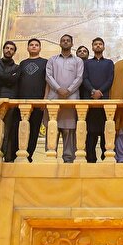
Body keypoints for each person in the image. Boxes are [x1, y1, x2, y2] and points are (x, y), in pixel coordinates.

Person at [45, 35, 84, 163]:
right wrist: (58, 89)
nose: (65, 42)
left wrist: (68, 90)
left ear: (72, 44)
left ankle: (68, 160)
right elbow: (48, 76)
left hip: (71, 99)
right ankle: (50, 158)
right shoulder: (52, 60)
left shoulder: (78, 61)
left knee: (69, 130)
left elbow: (79, 77)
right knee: (52, 129)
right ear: (60, 43)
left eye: (68, 41)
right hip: (54, 98)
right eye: (63, 40)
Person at [81, 37, 114, 163]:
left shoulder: (109, 63)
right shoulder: (86, 63)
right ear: (92, 47)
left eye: (100, 44)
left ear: (104, 47)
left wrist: (100, 92)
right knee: (90, 132)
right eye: (96, 44)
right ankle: (91, 159)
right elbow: (84, 78)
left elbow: (110, 79)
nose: (98, 46)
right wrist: (92, 91)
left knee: (106, 130)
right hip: (90, 101)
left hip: (105, 101)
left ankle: (106, 159)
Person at [17, 38, 48, 162]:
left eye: (36, 45)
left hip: (38, 103)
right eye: (31, 45)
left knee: (34, 130)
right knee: (22, 129)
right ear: (27, 48)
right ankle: (20, 154)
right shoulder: (22, 63)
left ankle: (29, 155)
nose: (34, 46)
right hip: (23, 102)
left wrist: (44, 99)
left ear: (40, 48)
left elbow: (48, 83)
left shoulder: (45, 62)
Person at [0, 41, 20, 162]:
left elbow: (12, 81)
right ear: (3, 49)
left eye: (11, 49)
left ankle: (4, 155)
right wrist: (6, 78)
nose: (9, 50)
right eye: (7, 48)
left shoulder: (17, 67)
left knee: (6, 129)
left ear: (14, 52)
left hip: (9, 101)